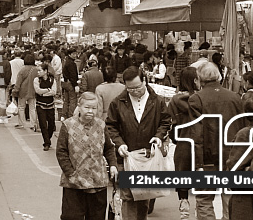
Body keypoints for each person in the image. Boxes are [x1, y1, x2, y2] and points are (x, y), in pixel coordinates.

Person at [106, 66, 172, 220]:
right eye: (130, 89)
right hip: (126, 156)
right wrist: (119, 143)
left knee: (143, 198)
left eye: (138, 87)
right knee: (128, 196)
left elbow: (166, 121)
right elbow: (111, 126)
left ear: (144, 80)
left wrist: (158, 136)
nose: (135, 91)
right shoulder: (118, 102)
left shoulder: (157, 101)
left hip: (148, 157)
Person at [189, 62, 244, 220]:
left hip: (208, 157)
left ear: (199, 79)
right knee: (230, 197)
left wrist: (197, 163)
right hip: (233, 155)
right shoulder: (235, 97)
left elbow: (197, 134)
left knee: (204, 198)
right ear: (219, 76)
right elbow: (242, 128)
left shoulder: (196, 99)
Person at [57, 92, 117, 220]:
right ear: (79, 106)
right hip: (74, 184)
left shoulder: (101, 125)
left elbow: (109, 148)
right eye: (87, 107)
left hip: (98, 181)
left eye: (94, 108)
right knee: (71, 217)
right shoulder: (68, 125)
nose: (90, 111)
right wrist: (71, 174)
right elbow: (61, 152)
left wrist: (113, 165)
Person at [170, 67, 200, 220]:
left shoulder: (175, 100)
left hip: (183, 140)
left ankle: (184, 204)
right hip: (201, 141)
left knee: (182, 173)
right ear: (195, 80)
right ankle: (201, 208)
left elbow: (171, 125)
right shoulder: (201, 99)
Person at [34, 60, 59, 151]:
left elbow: (54, 92)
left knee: (51, 124)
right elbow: (38, 91)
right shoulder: (36, 80)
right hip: (40, 105)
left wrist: (44, 92)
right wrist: (47, 90)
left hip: (50, 105)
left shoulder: (52, 80)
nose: (38, 72)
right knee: (43, 124)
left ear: (45, 71)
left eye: (40, 70)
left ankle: (48, 138)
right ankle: (46, 142)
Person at [14, 54, 39, 130]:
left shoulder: (22, 70)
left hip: (23, 91)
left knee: (21, 107)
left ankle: (21, 123)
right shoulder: (37, 70)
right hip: (33, 91)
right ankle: (33, 124)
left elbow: (18, 82)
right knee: (32, 108)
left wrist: (15, 90)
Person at [62, 50, 79, 120]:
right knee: (72, 100)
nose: (75, 55)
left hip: (65, 82)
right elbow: (73, 75)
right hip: (70, 83)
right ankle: (71, 116)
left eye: (75, 53)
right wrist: (75, 85)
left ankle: (63, 115)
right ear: (69, 54)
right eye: (73, 54)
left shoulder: (66, 61)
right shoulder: (71, 63)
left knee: (66, 100)